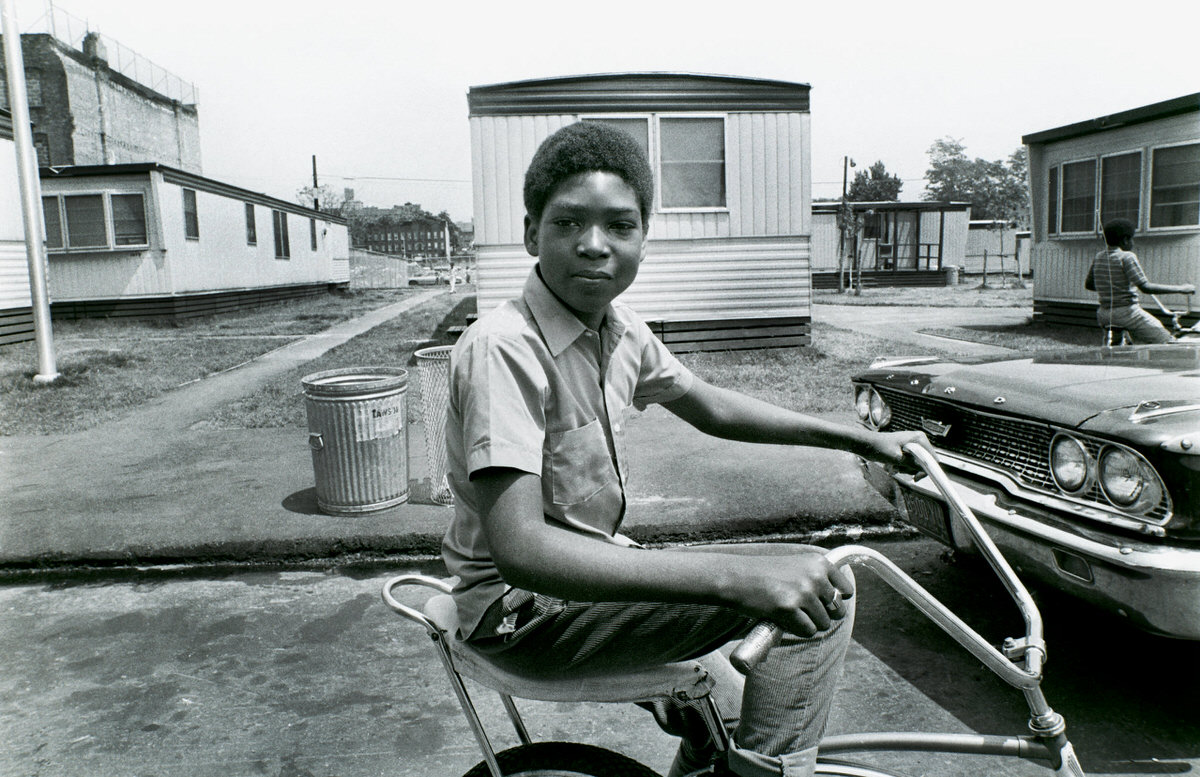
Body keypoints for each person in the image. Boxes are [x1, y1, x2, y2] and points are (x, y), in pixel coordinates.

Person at [440, 122, 929, 777]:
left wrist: (865, 437)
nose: (593, 245)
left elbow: (712, 406)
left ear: (644, 238)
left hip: (585, 578)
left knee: (725, 714)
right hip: (519, 613)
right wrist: (738, 575)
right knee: (823, 592)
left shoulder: (620, 332)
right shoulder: (504, 345)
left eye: (619, 225)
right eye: (567, 224)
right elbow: (522, 549)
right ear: (531, 234)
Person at [1085, 218, 1195, 343]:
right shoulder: (1127, 256)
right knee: (1167, 341)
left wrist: (1114, 284)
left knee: (1116, 349)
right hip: (1127, 312)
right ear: (1125, 240)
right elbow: (1145, 287)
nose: (1133, 242)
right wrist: (1182, 289)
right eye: (1132, 239)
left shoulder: (1099, 257)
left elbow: (1089, 285)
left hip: (1104, 314)